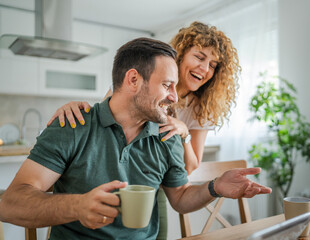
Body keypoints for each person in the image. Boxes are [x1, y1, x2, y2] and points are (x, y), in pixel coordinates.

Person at [0, 38, 271, 240]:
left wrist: (215, 187)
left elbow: (180, 198)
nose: (175, 98)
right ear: (132, 80)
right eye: (167, 86)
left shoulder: (168, 136)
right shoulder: (73, 124)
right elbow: (10, 205)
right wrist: (78, 206)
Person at [46, 21, 241, 239]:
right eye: (199, 57)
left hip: (154, 179)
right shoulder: (140, 84)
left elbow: (189, 167)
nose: (205, 69)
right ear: (181, 55)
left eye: (213, 65)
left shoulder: (200, 107)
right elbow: (105, 126)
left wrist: (184, 133)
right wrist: (75, 109)